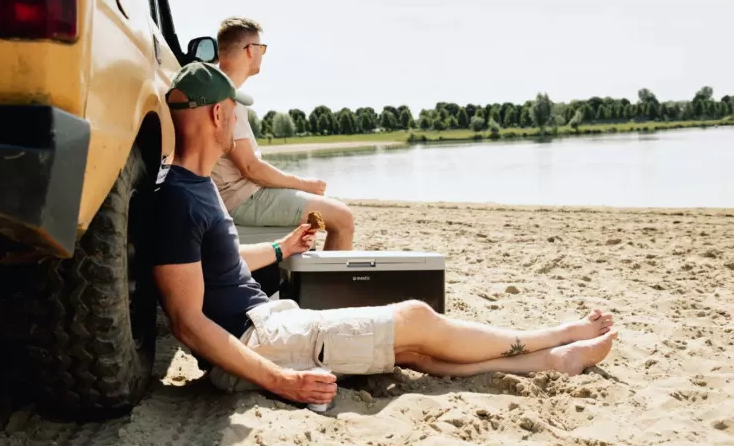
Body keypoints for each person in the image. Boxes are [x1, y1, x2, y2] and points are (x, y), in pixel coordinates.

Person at [153, 61, 618, 406]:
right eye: (234, 110)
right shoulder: (180, 198)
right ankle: (552, 335)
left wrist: (281, 247)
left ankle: (553, 360)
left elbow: (220, 263)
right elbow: (186, 322)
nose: (238, 121)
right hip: (261, 341)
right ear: (218, 115)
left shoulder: (197, 185)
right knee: (417, 317)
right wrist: (283, 382)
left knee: (414, 352)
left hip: (271, 324)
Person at [210, 16, 355, 251]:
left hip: (240, 193)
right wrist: (304, 185)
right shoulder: (227, 97)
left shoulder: (215, 88)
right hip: (241, 199)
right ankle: (325, 278)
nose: (262, 55)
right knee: (342, 217)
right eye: (262, 48)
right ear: (250, 50)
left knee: (323, 213)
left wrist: (297, 186)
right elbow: (251, 168)